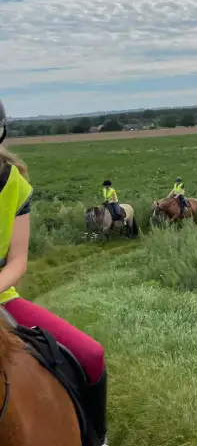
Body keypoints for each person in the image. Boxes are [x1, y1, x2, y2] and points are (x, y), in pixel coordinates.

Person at [0, 99, 108, 446]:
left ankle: (96, 438)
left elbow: (17, 261)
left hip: (1, 294)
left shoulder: (13, 184)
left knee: (91, 356)